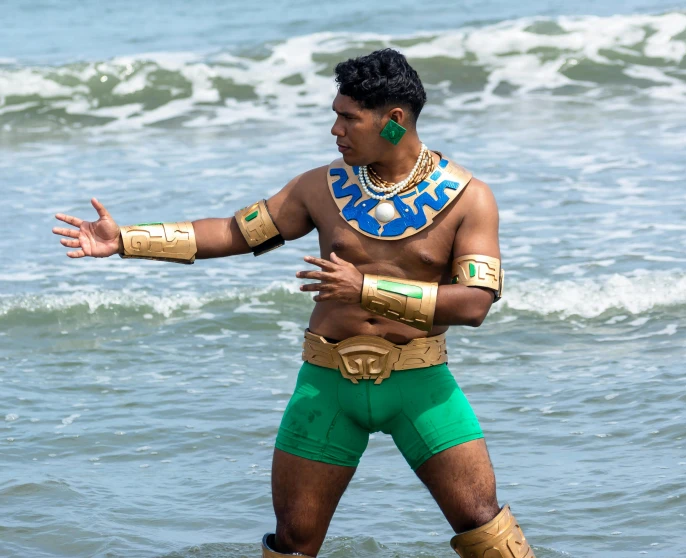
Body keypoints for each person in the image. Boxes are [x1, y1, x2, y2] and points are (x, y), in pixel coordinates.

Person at [52, 49, 534, 558]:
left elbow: (474, 304)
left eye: (348, 118)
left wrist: (365, 289)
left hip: (420, 385)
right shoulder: (318, 188)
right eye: (335, 115)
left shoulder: (469, 198)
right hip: (327, 389)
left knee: (484, 527)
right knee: (295, 542)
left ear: (394, 122)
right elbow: (234, 232)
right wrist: (125, 239)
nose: (335, 130)